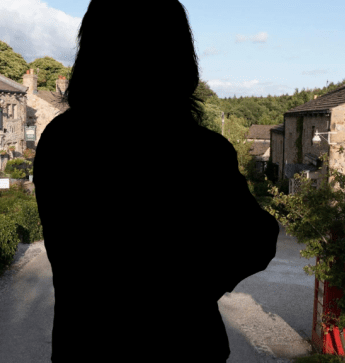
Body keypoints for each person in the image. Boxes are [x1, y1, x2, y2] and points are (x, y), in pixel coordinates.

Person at [33, 1, 279, 362]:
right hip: (183, 345)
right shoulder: (199, 150)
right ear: (178, 56)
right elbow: (258, 240)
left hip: (85, 345)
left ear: (92, 50)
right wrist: (191, 290)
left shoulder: (60, 140)